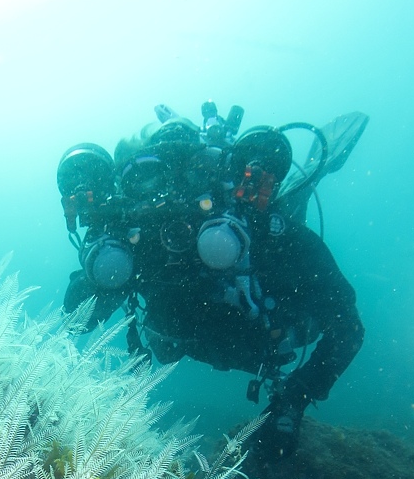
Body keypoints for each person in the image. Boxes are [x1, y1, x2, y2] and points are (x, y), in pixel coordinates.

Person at [57, 102, 367, 460]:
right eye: (149, 182)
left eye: (188, 177)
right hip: (189, 339)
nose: (169, 202)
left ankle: (294, 194)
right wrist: (100, 259)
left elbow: (348, 327)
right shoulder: (137, 240)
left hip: (257, 338)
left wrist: (293, 399)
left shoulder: (267, 233)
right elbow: (77, 320)